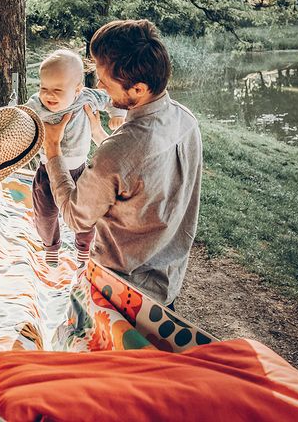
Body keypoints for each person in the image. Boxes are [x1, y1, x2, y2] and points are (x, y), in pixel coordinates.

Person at [42, 20, 202, 307]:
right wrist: (101, 136)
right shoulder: (186, 120)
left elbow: (75, 217)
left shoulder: (118, 153)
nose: (99, 86)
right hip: (167, 283)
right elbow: (143, 181)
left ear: (138, 89)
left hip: (118, 292)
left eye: (105, 81)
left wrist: (53, 149)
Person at [23, 49, 126, 266]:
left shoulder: (87, 97)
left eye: (57, 90)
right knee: (44, 215)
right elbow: (19, 116)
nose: (48, 95)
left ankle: (83, 249)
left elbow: (114, 99)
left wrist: (118, 115)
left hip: (81, 171)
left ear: (77, 89)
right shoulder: (37, 104)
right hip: (46, 170)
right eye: (43, 88)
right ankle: (51, 247)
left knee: (86, 216)